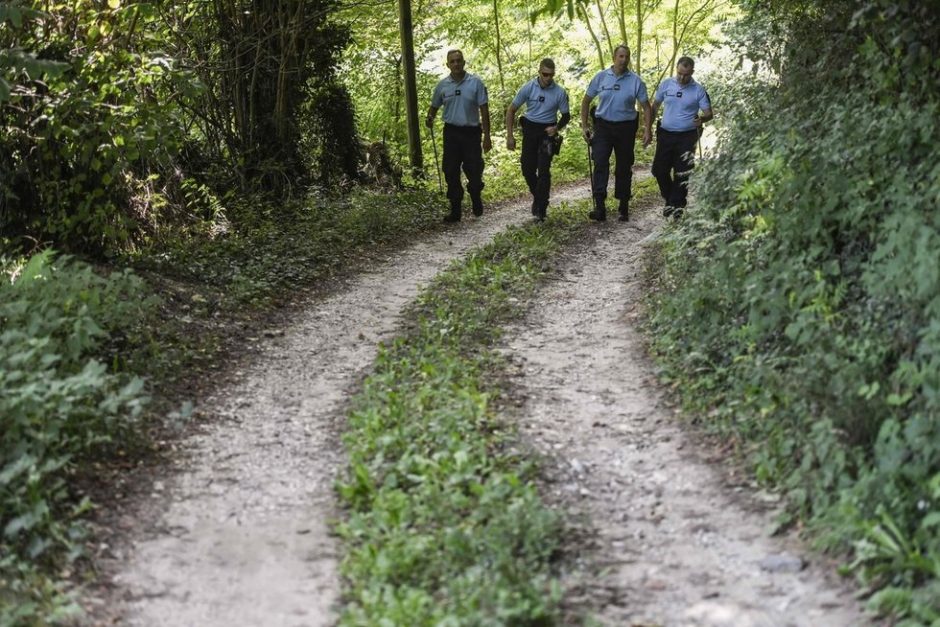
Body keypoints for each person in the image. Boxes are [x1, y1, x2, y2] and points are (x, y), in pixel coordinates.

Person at [580, 44, 652, 222]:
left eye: (626, 57)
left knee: (623, 166)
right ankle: (600, 206)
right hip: (603, 127)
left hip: (626, 128)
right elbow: (586, 101)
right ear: (614, 57)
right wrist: (584, 126)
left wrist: (647, 129)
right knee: (600, 163)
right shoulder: (601, 77)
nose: (624, 60)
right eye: (620, 56)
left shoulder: (636, 81)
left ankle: (623, 205)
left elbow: (646, 107)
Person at [426, 49, 493, 223]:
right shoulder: (442, 85)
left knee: (474, 169)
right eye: (452, 61)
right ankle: (455, 210)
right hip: (451, 133)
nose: (456, 64)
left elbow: (484, 110)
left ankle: (476, 195)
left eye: (458, 60)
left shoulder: (476, 83)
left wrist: (487, 136)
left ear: (464, 62)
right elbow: (434, 106)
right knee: (450, 170)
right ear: (447, 64)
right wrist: (430, 117)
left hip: (471, 132)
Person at [505, 58, 571, 222]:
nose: (548, 77)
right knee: (527, 168)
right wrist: (510, 135)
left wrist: (556, 128)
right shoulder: (528, 88)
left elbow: (566, 115)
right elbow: (511, 110)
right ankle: (539, 196)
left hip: (547, 133)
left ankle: (541, 207)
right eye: (545, 74)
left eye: (551, 75)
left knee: (543, 170)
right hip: (530, 130)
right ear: (539, 72)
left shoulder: (559, 92)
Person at [651, 56, 713, 219]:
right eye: (679, 73)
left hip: (687, 136)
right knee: (659, 169)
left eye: (686, 74)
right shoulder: (666, 84)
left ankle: (677, 205)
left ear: (692, 72)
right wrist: (647, 128)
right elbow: (655, 106)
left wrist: (702, 119)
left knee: (682, 171)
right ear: (676, 69)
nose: (682, 77)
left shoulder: (698, 90)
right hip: (665, 133)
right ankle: (671, 199)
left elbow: (708, 113)